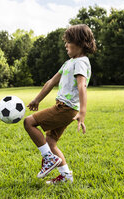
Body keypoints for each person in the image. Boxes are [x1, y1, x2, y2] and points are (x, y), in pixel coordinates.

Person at [23, 24, 96, 184]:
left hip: (65, 108)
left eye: (68, 41)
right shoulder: (69, 62)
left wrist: (82, 112)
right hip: (66, 108)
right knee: (50, 142)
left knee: (29, 122)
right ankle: (65, 176)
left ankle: (48, 159)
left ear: (79, 43)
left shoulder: (81, 62)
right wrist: (37, 99)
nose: (65, 44)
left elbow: (81, 85)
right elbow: (51, 82)